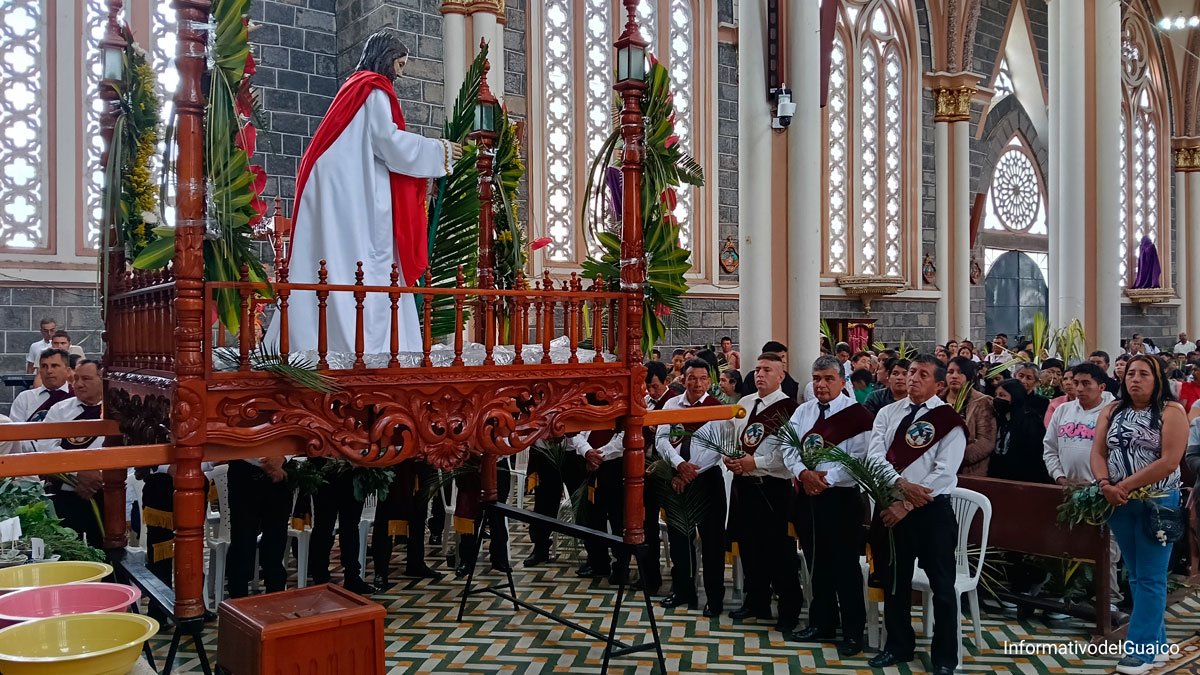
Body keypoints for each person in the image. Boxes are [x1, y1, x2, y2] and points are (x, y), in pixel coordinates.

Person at [265, 31, 461, 356]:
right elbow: (389, 143)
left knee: (331, 262)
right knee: (363, 263)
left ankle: (315, 341)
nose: (401, 72)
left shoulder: (354, 87)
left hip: (332, 186)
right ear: (386, 58)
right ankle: (364, 347)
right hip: (350, 192)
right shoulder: (374, 91)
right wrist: (440, 151)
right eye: (399, 63)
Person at [864, 355, 966, 675]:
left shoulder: (949, 420)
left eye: (922, 375)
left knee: (942, 586)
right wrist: (899, 485)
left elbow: (945, 472)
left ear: (937, 384)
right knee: (896, 582)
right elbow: (874, 457)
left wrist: (906, 504)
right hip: (893, 502)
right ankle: (898, 645)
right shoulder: (887, 413)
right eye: (910, 372)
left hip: (931, 512)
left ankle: (945, 658)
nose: (912, 379)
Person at [1090, 355, 1185, 674]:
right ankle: (1157, 646)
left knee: (1151, 577)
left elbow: (1170, 461)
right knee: (1136, 575)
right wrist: (1105, 483)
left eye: (1144, 374)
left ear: (1158, 380)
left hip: (1156, 502)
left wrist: (1124, 486)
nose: (1135, 379)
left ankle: (1141, 650)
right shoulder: (1112, 410)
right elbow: (1099, 451)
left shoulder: (1172, 411)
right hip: (1117, 500)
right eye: (1131, 373)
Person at [784, 355, 874, 657]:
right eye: (817, 379)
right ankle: (821, 623)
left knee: (844, 567)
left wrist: (827, 479)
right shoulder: (803, 412)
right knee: (816, 563)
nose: (821, 385)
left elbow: (860, 458)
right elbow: (788, 447)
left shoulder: (858, 415)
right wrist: (803, 473)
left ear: (842, 381)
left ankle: (852, 632)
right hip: (808, 498)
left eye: (828, 379)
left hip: (841, 500)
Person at [722, 353, 801, 633]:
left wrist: (754, 462)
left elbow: (788, 456)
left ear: (781, 375)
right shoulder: (744, 403)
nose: (760, 374)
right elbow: (732, 438)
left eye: (767, 369)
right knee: (749, 546)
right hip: (744, 485)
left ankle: (789, 608)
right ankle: (756, 600)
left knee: (778, 549)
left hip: (773, 487)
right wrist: (730, 458)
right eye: (757, 369)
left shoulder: (790, 409)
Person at [1043, 363, 1121, 606]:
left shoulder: (1113, 412)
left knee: (1107, 546)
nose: (1079, 388)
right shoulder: (1063, 410)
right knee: (1072, 543)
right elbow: (1050, 449)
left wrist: (1103, 481)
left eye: (1086, 383)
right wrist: (1060, 477)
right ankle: (1073, 593)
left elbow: (1119, 452)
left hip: (1102, 490)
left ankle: (1109, 598)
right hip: (1069, 488)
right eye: (1076, 383)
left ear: (1101, 386)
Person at [656, 358, 726, 616]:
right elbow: (661, 440)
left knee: (712, 542)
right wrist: (678, 464)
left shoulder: (716, 408)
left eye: (702, 378)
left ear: (709, 381)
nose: (697, 383)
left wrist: (688, 472)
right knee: (679, 539)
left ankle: (714, 597)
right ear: (682, 379)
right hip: (676, 476)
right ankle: (682, 590)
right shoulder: (672, 404)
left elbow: (718, 448)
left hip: (706, 480)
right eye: (692, 378)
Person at [35, 359, 105, 546]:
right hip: (66, 495)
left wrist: (98, 477)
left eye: (86, 378)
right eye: (76, 378)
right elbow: (45, 448)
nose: (79, 384)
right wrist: (78, 474)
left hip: (107, 493)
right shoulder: (60, 410)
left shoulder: (118, 411)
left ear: (103, 379)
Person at [371, 459, 443, 591]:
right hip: (394, 465)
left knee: (419, 517)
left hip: (421, 465)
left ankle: (416, 563)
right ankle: (381, 571)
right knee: (385, 520)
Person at [307, 458, 375, 594]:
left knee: (351, 527)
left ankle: (352, 576)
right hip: (325, 469)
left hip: (355, 471)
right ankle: (320, 577)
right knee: (323, 526)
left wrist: (363, 458)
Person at [571, 428, 627, 584]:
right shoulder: (591, 406)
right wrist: (587, 452)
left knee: (617, 519)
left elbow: (623, 439)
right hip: (588, 465)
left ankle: (621, 567)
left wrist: (597, 456)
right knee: (593, 517)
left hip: (614, 467)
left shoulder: (621, 409)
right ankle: (598, 562)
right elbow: (576, 433)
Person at [988, 379, 1052, 483]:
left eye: (1002, 395)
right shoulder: (999, 419)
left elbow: (1034, 456)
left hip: (1023, 480)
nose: (997, 399)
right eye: (996, 395)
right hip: (996, 478)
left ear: (1015, 397)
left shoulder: (1031, 421)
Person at [11, 349, 74, 452]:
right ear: (40, 371)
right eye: (44, 366)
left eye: (54, 366)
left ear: (67, 371)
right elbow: (14, 434)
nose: (49, 371)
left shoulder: (76, 398)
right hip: (28, 457)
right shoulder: (25, 398)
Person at [946, 357, 996, 476]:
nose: (954, 376)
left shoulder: (982, 402)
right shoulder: (936, 400)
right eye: (950, 372)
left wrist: (952, 458)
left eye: (960, 372)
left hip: (969, 471)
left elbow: (986, 441)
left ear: (969, 376)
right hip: (935, 469)